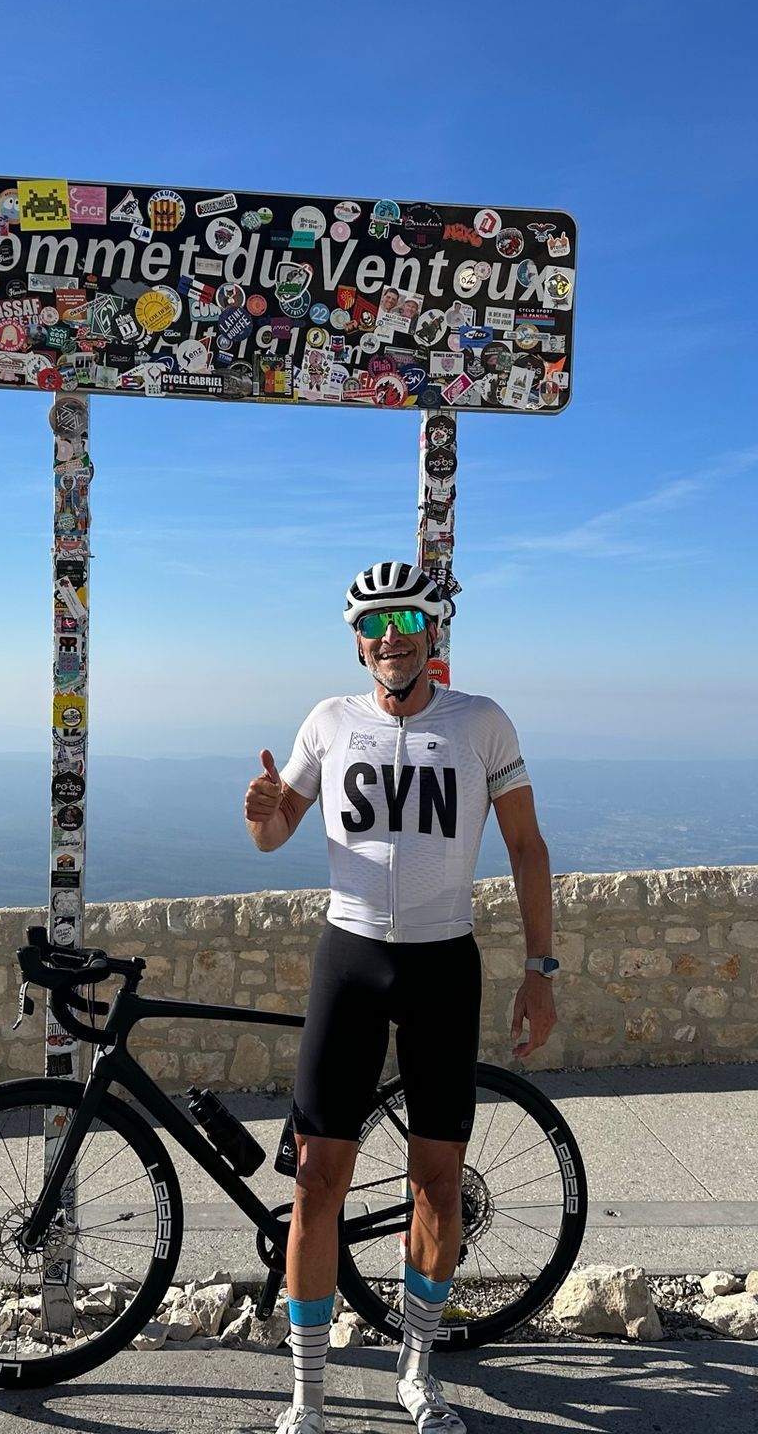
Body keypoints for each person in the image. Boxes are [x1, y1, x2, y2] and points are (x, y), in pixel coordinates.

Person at [244, 561, 558, 1434]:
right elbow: (274, 838)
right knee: (315, 1181)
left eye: (408, 622)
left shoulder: (480, 723)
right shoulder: (327, 721)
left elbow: (527, 847)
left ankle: (418, 1373)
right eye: (377, 624)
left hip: (441, 965)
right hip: (349, 959)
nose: (392, 637)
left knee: (439, 1185)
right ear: (358, 639)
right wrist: (259, 811)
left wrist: (542, 970)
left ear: (432, 634)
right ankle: (307, 1393)